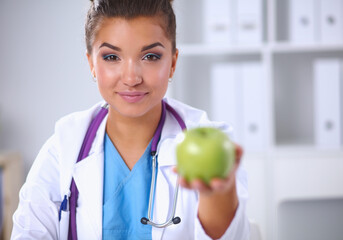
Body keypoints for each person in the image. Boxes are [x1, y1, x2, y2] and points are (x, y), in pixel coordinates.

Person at [11, 0, 250, 239]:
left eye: (150, 56)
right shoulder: (63, 149)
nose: (131, 77)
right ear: (92, 64)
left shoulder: (208, 138)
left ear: (173, 63)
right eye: (112, 57)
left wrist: (219, 194)